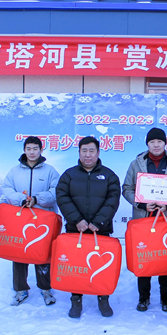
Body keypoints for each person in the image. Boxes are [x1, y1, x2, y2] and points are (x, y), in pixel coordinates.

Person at [122, 127, 167, 313]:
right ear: (147, 144)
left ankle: (165, 297)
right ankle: (143, 298)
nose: (156, 145)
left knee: (166, 259)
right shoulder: (136, 163)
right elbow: (127, 188)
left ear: (165, 143)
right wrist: (141, 204)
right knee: (144, 258)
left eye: (159, 141)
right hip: (144, 220)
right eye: (152, 142)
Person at [56, 136, 121, 318]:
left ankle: (103, 298)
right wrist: (77, 220)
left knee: (101, 265)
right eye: (84, 151)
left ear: (98, 153)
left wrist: (98, 222)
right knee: (76, 266)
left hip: (101, 230)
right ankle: (76, 300)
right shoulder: (69, 175)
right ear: (79, 153)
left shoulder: (109, 176)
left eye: (91, 151)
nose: (88, 155)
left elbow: (112, 200)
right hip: (75, 229)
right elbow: (62, 197)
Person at [1, 136, 60, 307]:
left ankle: (45, 288)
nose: (32, 152)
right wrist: (21, 199)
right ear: (24, 150)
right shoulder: (14, 171)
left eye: (35, 148)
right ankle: (21, 289)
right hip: (20, 219)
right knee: (19, 253)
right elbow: (7, 189)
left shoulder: (50, 171)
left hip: (43, 220)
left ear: (41, 150)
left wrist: (37, 199)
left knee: (43, 254)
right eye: (29, 149)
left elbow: (56, 191)